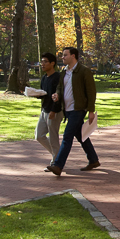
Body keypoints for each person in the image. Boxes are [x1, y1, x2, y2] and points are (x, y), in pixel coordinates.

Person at [46, 47, 99, 175]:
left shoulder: (84, 71)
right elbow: (60, 87)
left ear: (73, 56)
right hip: (68, 110)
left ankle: (58, 165)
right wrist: (57, 95)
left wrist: (91, 110)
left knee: (67, 136)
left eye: (65, 55)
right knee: (81, 136)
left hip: (79, 109)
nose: (62, 57)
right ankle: (93, 160)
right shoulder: (64, 72)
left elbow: (91, 92)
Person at [34, 52, 64, 158]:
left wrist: (53, 111)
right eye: (41, 61)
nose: (42, 64)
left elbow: (59, 96)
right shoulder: (44, 78)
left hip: (54, 111)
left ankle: (56, 161)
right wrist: (35, 94)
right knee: (39, 135)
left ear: (52, 63)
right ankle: (58, 156)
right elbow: (44, 94)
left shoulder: (58, 77)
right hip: (44, 110)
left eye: (45, 62)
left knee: (53, 138)